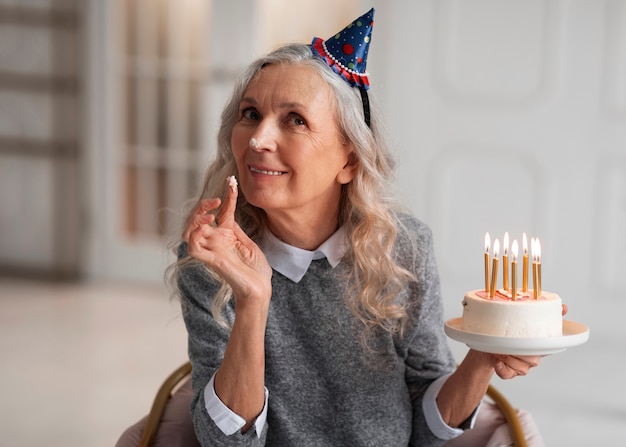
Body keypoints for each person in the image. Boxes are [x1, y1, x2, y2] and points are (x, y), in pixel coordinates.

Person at [118, 8, 547, 447]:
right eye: (250, 114)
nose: (258, 140)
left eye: (295, 120)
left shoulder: (404, 248)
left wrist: (481, 358)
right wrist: (253, 301)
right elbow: (227, 442)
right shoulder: (209, 257)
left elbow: (428, 430)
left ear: (349, 160)